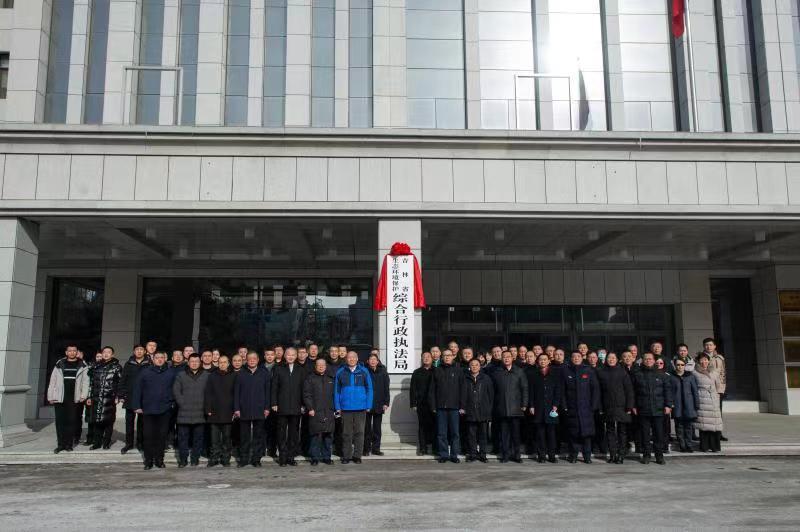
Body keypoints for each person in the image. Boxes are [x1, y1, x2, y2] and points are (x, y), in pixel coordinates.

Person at [131, 351, 176, 469]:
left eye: (162, 357)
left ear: (165, 359)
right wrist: (137, 406)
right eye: (157, 358)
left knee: (162, 436)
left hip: (165, 409)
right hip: (148, 409)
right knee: (148, 436)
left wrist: (172, 402)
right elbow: (137, 389)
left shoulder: (170, 373)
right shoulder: (145, 372)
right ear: (153, 359)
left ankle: (159, 459)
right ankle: (148, 460)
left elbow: (175, 389)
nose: (159, 359)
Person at [632, 352, 674, 465]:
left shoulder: (662, 375)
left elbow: (668, 391)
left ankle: (659, 456)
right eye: (646, 359)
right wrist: (634, 405)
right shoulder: (638, 375)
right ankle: (646, 455)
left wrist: (668, 405)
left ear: (654, 361)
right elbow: (633, 392)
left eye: (650, 359)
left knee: (658, 434)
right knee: (645, 434)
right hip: (643, 408)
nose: (648, 361)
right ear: (643, 361)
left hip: (659, 409)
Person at [47, 345, 90, 453]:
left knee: (71, 422)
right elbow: (52, 381)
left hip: (74, 398)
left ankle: (68, 445)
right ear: (66, 352)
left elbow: (86, 382)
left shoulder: (82, 365)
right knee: (60, 422)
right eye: (70, 351)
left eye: (74, 351)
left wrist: (83, 395)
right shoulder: (59, 364)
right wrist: (50, 396)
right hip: (60, 398)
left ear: (77, 352)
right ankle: (60, 445)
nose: (72, 352)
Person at [560, 351, 600, 464]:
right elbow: (562, 391)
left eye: (578, 356)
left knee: (587, 433)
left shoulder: (588, 371)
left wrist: (593, 406)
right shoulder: (566, 371)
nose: (576, 358)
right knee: (573, 433)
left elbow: (595, 390)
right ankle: (573, 455)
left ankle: (587, 456)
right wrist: (564, 406)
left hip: (586, 408)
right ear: (571, 358)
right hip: (571, 408)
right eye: (574, 357)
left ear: (582, 358)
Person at [334, 350, 373, 464]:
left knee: (359, 432)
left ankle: (357, 456)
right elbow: (336, 391)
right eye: (349, 357)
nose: (351, 359)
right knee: (346, 433)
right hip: (345, 408)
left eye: (353, 357)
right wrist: (337, 406)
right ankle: (346, 455)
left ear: (357, 359)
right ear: (346, 359)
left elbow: (369, 389)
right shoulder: (341, 372)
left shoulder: (364, 371)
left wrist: (368, 404)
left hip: (361, 407)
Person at [490, 351, 528, 463]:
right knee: (504, 434)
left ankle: (517, 455)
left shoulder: (519, 372)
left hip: (516, 408)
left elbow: (524, 388)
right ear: (501, 359)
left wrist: (524, 404)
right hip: (502, 408)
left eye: (508, 357)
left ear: (512, 358)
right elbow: (493, 391)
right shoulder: (497, 372)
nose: (506, 359)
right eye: (504, 357)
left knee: (516, 434)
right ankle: (505, 455)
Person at [234, 351, 272, 467]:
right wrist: (237, 408)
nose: (252, 360)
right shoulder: (241, 373)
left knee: (258, 436)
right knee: (244, 437)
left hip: (260, 409)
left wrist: (267, 408)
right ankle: (244, 459)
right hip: (244, 409)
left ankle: (256, 459)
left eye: (254, 358)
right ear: (246, 360)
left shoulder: (264, 373)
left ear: (258, 360)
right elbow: (236, 392)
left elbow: (268, 392)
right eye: (249, 359)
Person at [596, 352, 634, 464]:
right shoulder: (601, 372)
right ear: (606, 359)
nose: (611, 360)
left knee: (622, 431)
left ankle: (621, 455)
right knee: (610, 431)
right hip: (607, 406)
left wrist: (629, 406)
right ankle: (612, 455)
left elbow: (629, 391)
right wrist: (600, 407)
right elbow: (599, 392)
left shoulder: (622, 372)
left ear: (617, 359)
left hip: (622, 406)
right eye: (609, 358)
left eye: (613, 358)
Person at [172, 353, 209, 467]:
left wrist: (206, 406)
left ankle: (195, 458)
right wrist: (182, 403)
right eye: (192, 361)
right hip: (184, 412)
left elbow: (210, 393)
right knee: (183, 438)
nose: (194, 363)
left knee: (198, 438)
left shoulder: (207, 375)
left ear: (200, 362)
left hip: (200, 412)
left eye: (196, 361)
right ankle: (183, 459)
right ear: (188, 362)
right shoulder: (181, 375)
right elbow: (176, 391)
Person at [271, 347, 306, 466]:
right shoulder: (278, 368)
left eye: (293, 355)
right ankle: (282, 457)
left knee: (293, 434)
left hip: (296, 406)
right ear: (285, 356)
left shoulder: (301, 370)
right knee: (281, 433)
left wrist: (303, 404)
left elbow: (304, 389)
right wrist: (274, 403)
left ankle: (291, 457)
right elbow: (274, 387)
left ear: (296, 356)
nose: (290, 357)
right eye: (288, 354)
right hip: (282, 406)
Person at [429, 349, 463, 463]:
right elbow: (432, 390)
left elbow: (463, 389)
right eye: (445, 355)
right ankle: (443, 455)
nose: (447, 357)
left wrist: (462, 406)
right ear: (442, 357)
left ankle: (454, 455)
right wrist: (433, 406)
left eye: (449, 355)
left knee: (455, 433)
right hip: (440, 407)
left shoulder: (458, 370)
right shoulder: (437, 370)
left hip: (454, 407)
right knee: (441, 433)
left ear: (453, 356)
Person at [86, 346, 122, 450]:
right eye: (104, 352)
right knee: (97, 421)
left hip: (109, 398)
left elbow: (120, 383)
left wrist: (118, 396)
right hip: (96, 397)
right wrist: (89, 396)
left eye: (109, 352)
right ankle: (97, 443)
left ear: (112, 354)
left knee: (109, 421)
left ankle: (106, 442)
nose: (106, 354)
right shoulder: (96, 366)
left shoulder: (117, 367)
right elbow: (91, 383)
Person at [204, 355, 236, 467]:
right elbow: (208, 393)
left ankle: (225, 458)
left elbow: (236, 393)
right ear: (218, 364)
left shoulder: (234, 375)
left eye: (224, 362)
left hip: (228, 411)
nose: (222, 364)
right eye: (220, 362)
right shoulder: (212, 376)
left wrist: (235, 409)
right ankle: (214, 458)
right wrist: (208, 408)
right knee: (214, 438)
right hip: (214, 411)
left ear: (228, 363)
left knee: (227, 438)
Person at [303, 358, 336, 465]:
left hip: (329, 411)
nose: (321, 367)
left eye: (323, 365)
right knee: (315, 435)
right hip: (315, 411)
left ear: (326, 366)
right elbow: (307, 395)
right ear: (315, 366)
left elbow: (335, 395)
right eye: (319, 365)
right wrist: (310, 408)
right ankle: (315, 458)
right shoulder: (310, 378)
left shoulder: (331, 378)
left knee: (328, 435)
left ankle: (327, 457)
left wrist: (335, 408)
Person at [528, 353, 560, 463]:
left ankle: (552, 456)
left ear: (549, 361)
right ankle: (541, 456)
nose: (543, 361)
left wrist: (556, 404)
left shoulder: (555, 374)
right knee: (540, 434)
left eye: (545, 359)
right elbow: (531, 392)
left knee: (551, 434)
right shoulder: (533, 374)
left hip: (551, 408)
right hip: (539, 408)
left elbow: (558, 391)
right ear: (538, 361)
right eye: (541, 359)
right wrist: (531, 405)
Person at [461, 358, 494, 463]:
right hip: (470, 411)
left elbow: (491, 395)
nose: (474, 367)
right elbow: (462, 395)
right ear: (469, 367)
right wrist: (463, 407)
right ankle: (473, 454)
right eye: (472, 365)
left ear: (480, 367)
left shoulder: (486, 378)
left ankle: (483, 455)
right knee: (471, 435)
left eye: (476, 365)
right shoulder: (465, 378)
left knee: (483, 435)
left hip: (483, 411)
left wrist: (489, 409)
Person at [120, 344, 151, 454]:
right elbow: (123, 379)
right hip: (130, 396)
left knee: (142, 422)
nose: (139, 351)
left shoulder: (149, 363)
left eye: (141, 349)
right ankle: (129, 443)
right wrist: (121, 395)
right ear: (134, 351)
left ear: (145, 351)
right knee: (129, 422)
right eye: (137, 350)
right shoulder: (128, 364)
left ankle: (140, 443)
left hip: (144, 397)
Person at [694, 353, 724, 452]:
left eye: (706, 360)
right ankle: (705, 446)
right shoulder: (695, 372)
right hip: (702, 399)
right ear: (698, 361)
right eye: (702, 360)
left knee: (715, 424)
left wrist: (717, 396)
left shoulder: (714, 372)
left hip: (713, 399)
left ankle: (715, 446)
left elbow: (718, 386)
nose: (704, 362)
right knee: (704, 424)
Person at [671, 357, 699, 453]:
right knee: (679, 427)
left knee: (688, 427)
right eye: (678, 365)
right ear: (675, 365)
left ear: (685, 366)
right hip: (677, 405)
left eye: (682, 365)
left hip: (689, 405)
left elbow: (695, 391)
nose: (680, 366)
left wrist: (696, 405)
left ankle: (689, 445)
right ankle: (682, 445)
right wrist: (671, 404)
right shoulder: (671, 377)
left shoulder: (690, 376)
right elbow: (669, 392)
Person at [410, 352, 436, 456]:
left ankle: (435, 448)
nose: (426, 358)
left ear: (432, 359)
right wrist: (413, 403)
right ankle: (423, 448)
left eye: (428, 357)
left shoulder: (437, 371)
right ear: (421, 359)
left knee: (435, 426)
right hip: (421, 403)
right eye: (424, 357)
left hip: (434, 404)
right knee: (422, 426)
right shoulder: (417, 372)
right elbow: (413, 389)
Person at [364, 354, 390, 456]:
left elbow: (386, 388)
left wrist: (386, 402)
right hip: (367, 404)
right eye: (371, 359)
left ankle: (376, 448)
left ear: (378, 361)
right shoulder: (364, 371)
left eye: (375, 359)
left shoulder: (383, 372)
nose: (373, 361)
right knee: (366, 428)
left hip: (379, 403)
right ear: (368, 361)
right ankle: (366, 449)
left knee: (377, 428)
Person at [702, 338, 728, 441]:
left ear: (714, 346)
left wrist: (722, 388)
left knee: (718, 412)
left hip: (718, 389)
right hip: (706, 388)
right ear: (704, 346)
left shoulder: (720, 358)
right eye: (706, 345)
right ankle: (708, 434)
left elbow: (723, 373)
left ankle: (718, 433)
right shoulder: (701, 357)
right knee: (707, 413)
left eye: (710, 345)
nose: (708, 347)